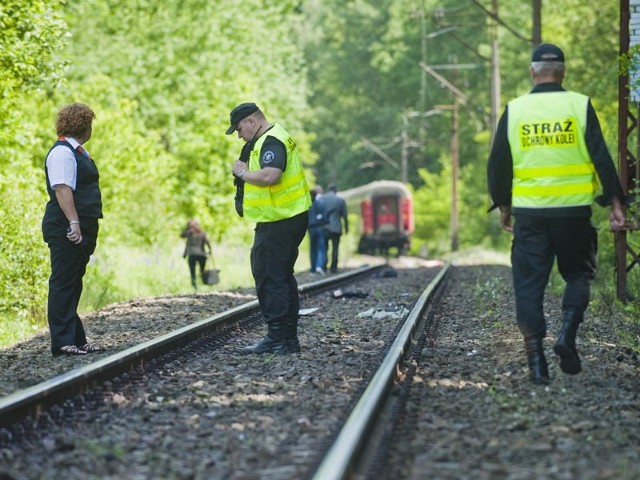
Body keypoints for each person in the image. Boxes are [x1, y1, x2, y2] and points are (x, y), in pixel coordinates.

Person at [487, 43, 626, 385]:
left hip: (531, 216)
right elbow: (601, 156)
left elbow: (498, 164)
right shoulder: (578, 105)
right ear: (563, 72)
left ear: (533, 72)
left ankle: (537, 363)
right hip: (574, 214)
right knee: (579, 275)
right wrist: (616, 203)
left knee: (528, 287)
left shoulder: (516, 110)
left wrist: (504, 205)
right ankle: (567, 333)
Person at [228, 102, 311, 354]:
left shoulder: (271, 141)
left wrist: (242, 172)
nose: (239, 135)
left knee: (269, 275)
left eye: (240, 129)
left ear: (253, 122)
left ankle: (277, 339)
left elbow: (270, 175)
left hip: (281, 219)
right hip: (286, 217)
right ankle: (287, 339)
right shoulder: (272, 138)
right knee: (282, 276)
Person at [42, 103, 105, 356]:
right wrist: (74, 223)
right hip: (65, 226)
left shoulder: (77, 151)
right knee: (63, 281)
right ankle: (62, 341)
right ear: (84, 125)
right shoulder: (62, 153)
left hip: (79, 224)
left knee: (72, 282)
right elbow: (61, 188)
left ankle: (76, 338)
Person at [322, 183, 348, 273]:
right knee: (335, 248)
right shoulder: (340, 200)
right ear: (336, 190)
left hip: (324, 227)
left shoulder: (322, 199)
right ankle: (333, 268)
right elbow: (344, 216)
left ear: (328, 189)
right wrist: (346, 228)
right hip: (336, 228)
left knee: (325, 248)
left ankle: (324, 266)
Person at [181, 219, 212, 289]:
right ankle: (204, 282)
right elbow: (207, 242)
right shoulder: (202, 233)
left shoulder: (189, 233)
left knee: (192, 271)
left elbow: (181, 235)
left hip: (192, 254)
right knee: (202, 270)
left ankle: (194, 284)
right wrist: (210, 250)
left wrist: (187, 229)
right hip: (202, 254)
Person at [308, 186, 327, 274]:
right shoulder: (321, 204)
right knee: (321, 248)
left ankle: (313, 268)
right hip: (319, 228)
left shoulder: (306, 206)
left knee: (312, 249)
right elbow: (325, 217)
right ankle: (319, 266)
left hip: (310, 229)